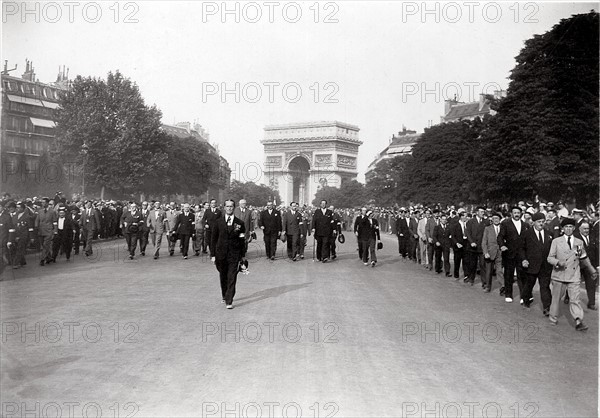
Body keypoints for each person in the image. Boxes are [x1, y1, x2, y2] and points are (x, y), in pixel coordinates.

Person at [547, 218, 597, 331]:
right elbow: (550, 257)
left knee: (575, 299)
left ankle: (578, 320)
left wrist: (591, 269)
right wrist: (557, 262)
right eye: (566, 227)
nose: (568, 229)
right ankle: (553, 318)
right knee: (556, 299)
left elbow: (584, 257)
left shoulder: (579, 242)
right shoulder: (556, 241)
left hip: (574, 275)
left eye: (570, 227)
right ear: (562, 229)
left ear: (574, 228)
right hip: (559, 275)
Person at [210, 199, 247, 309]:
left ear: (234, 208)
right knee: (223, 276)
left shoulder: (240, 223)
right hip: (220, 254)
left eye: (231, 206)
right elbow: (213, 239)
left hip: (234, 254)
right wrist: (213, 255)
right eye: (227, 206)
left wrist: (242, 255)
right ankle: (224, 294)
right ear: (224, 208)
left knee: (232, 276)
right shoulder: (218, 222)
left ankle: (229, 300)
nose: (229, 208)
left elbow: (242, 240)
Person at [519, 212, 553, 314]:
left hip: (545, 266)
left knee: (545, 287)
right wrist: (524, 259)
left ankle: (547, 307)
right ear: (533, 222)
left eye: (543, 222)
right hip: (531, 265)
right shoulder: (526, 234)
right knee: (529, 285)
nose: (541, 224)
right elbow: (521, 248)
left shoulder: (549, 234)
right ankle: (526, 300)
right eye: (539, 222)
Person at [497, 206, 529, 303]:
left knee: (522, 275)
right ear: (511, 213)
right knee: (508, 274)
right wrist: (502, 245)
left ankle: (523, 296)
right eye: (514, 212)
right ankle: (508, 294)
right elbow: (500, 237)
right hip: (509, 252)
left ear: (521, 214)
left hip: (521, 253)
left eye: (518, 212)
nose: (516, 214)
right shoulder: (505, 223)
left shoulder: (525, 225)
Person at [575, 221, 597, 310]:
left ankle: (591, 303)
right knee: (575, 282)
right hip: (578, 264)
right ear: (580, 229)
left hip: (590, 265)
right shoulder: (576, 238)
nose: (586, 230)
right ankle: (568, 296)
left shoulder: (593, 237)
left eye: (588, 228)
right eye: (584, 228)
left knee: (591, 283)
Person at [465, 206, 488, 287]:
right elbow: (467, 233)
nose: (483, 213)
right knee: (472, 264)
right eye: (481, 212)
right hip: (473, 247)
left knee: (483, 265)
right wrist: (471, 242)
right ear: (477, 212)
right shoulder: (471, 222)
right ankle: (471, 278)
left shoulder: (486, 222)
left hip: (482, 247)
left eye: (483, 212)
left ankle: (484, 282)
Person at [481, 212, 503, 293]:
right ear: (492, 220)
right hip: (490, 253)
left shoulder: (503, 228)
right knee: (489, 271)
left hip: (500, 252)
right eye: (493, 219)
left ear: (500, 219)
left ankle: (502, 287)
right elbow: (484, 242)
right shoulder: (487, 229)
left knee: (499, 270)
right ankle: (488, 286)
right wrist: (485, 252)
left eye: (497, 218)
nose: (495, 220)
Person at [10, 202, 33, 269]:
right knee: (17, 248)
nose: (17, 209)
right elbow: (13, 225)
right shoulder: (14, 216)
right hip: (16, 234)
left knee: (20, 248)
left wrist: (31, 237)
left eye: (19, 207)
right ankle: (22, 261)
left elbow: (30, 227)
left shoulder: (27, 216)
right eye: (17, 207)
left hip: (23, 235)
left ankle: (15, 263)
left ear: (23, 208)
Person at [36, 197, 57, 265]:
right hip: (41, 231)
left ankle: (42, 259)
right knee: (43, 245)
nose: (42, 204)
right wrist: (36, 227)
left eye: (44, 202)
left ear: (47, 203)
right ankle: (49, 258)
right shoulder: (40, 211)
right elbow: (37, 220)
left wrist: (55, 230)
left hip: (49, 231)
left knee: (46, 245)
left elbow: (55, 222)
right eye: (42, 202)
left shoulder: (52, 211)